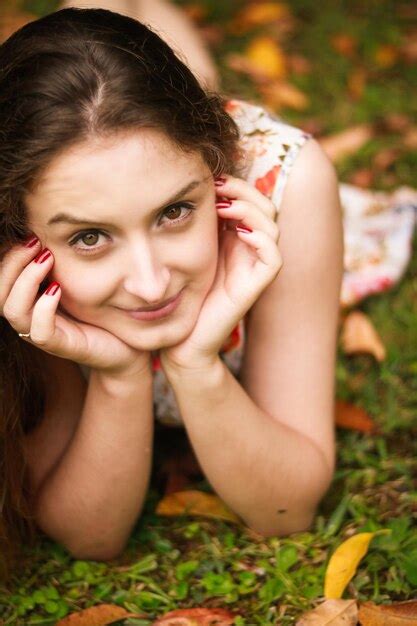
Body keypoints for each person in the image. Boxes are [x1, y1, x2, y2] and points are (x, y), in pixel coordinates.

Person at [0, 4, 413, 577]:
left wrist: (197, 366)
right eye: (90, 236)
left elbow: (287, 508)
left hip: (218, 141)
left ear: (219, 178)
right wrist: (120, 378)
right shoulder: (25, 268)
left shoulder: (282, 188)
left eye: (175, 211)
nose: (150, 285)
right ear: (22, 238)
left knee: (183, 89)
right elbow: (89, 535)